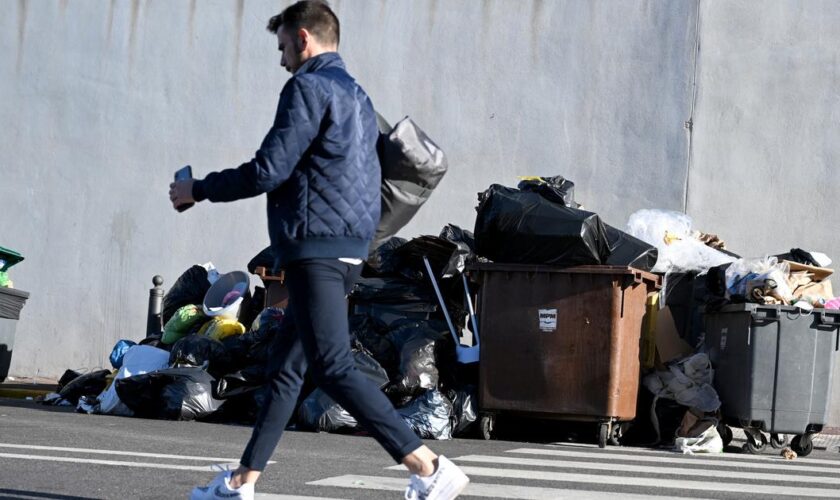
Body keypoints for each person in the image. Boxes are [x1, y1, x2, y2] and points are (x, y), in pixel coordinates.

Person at [169, 2, 469, 499]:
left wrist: (197, 189)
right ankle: (242, 482)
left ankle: (428, 464)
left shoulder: (307, 87)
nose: (282, 59)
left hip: (316, 252)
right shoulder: (357, 97)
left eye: (284, 47)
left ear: (304, 39)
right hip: (348, 249)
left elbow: (267, 169)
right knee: (285, 372)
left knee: (332, 366)